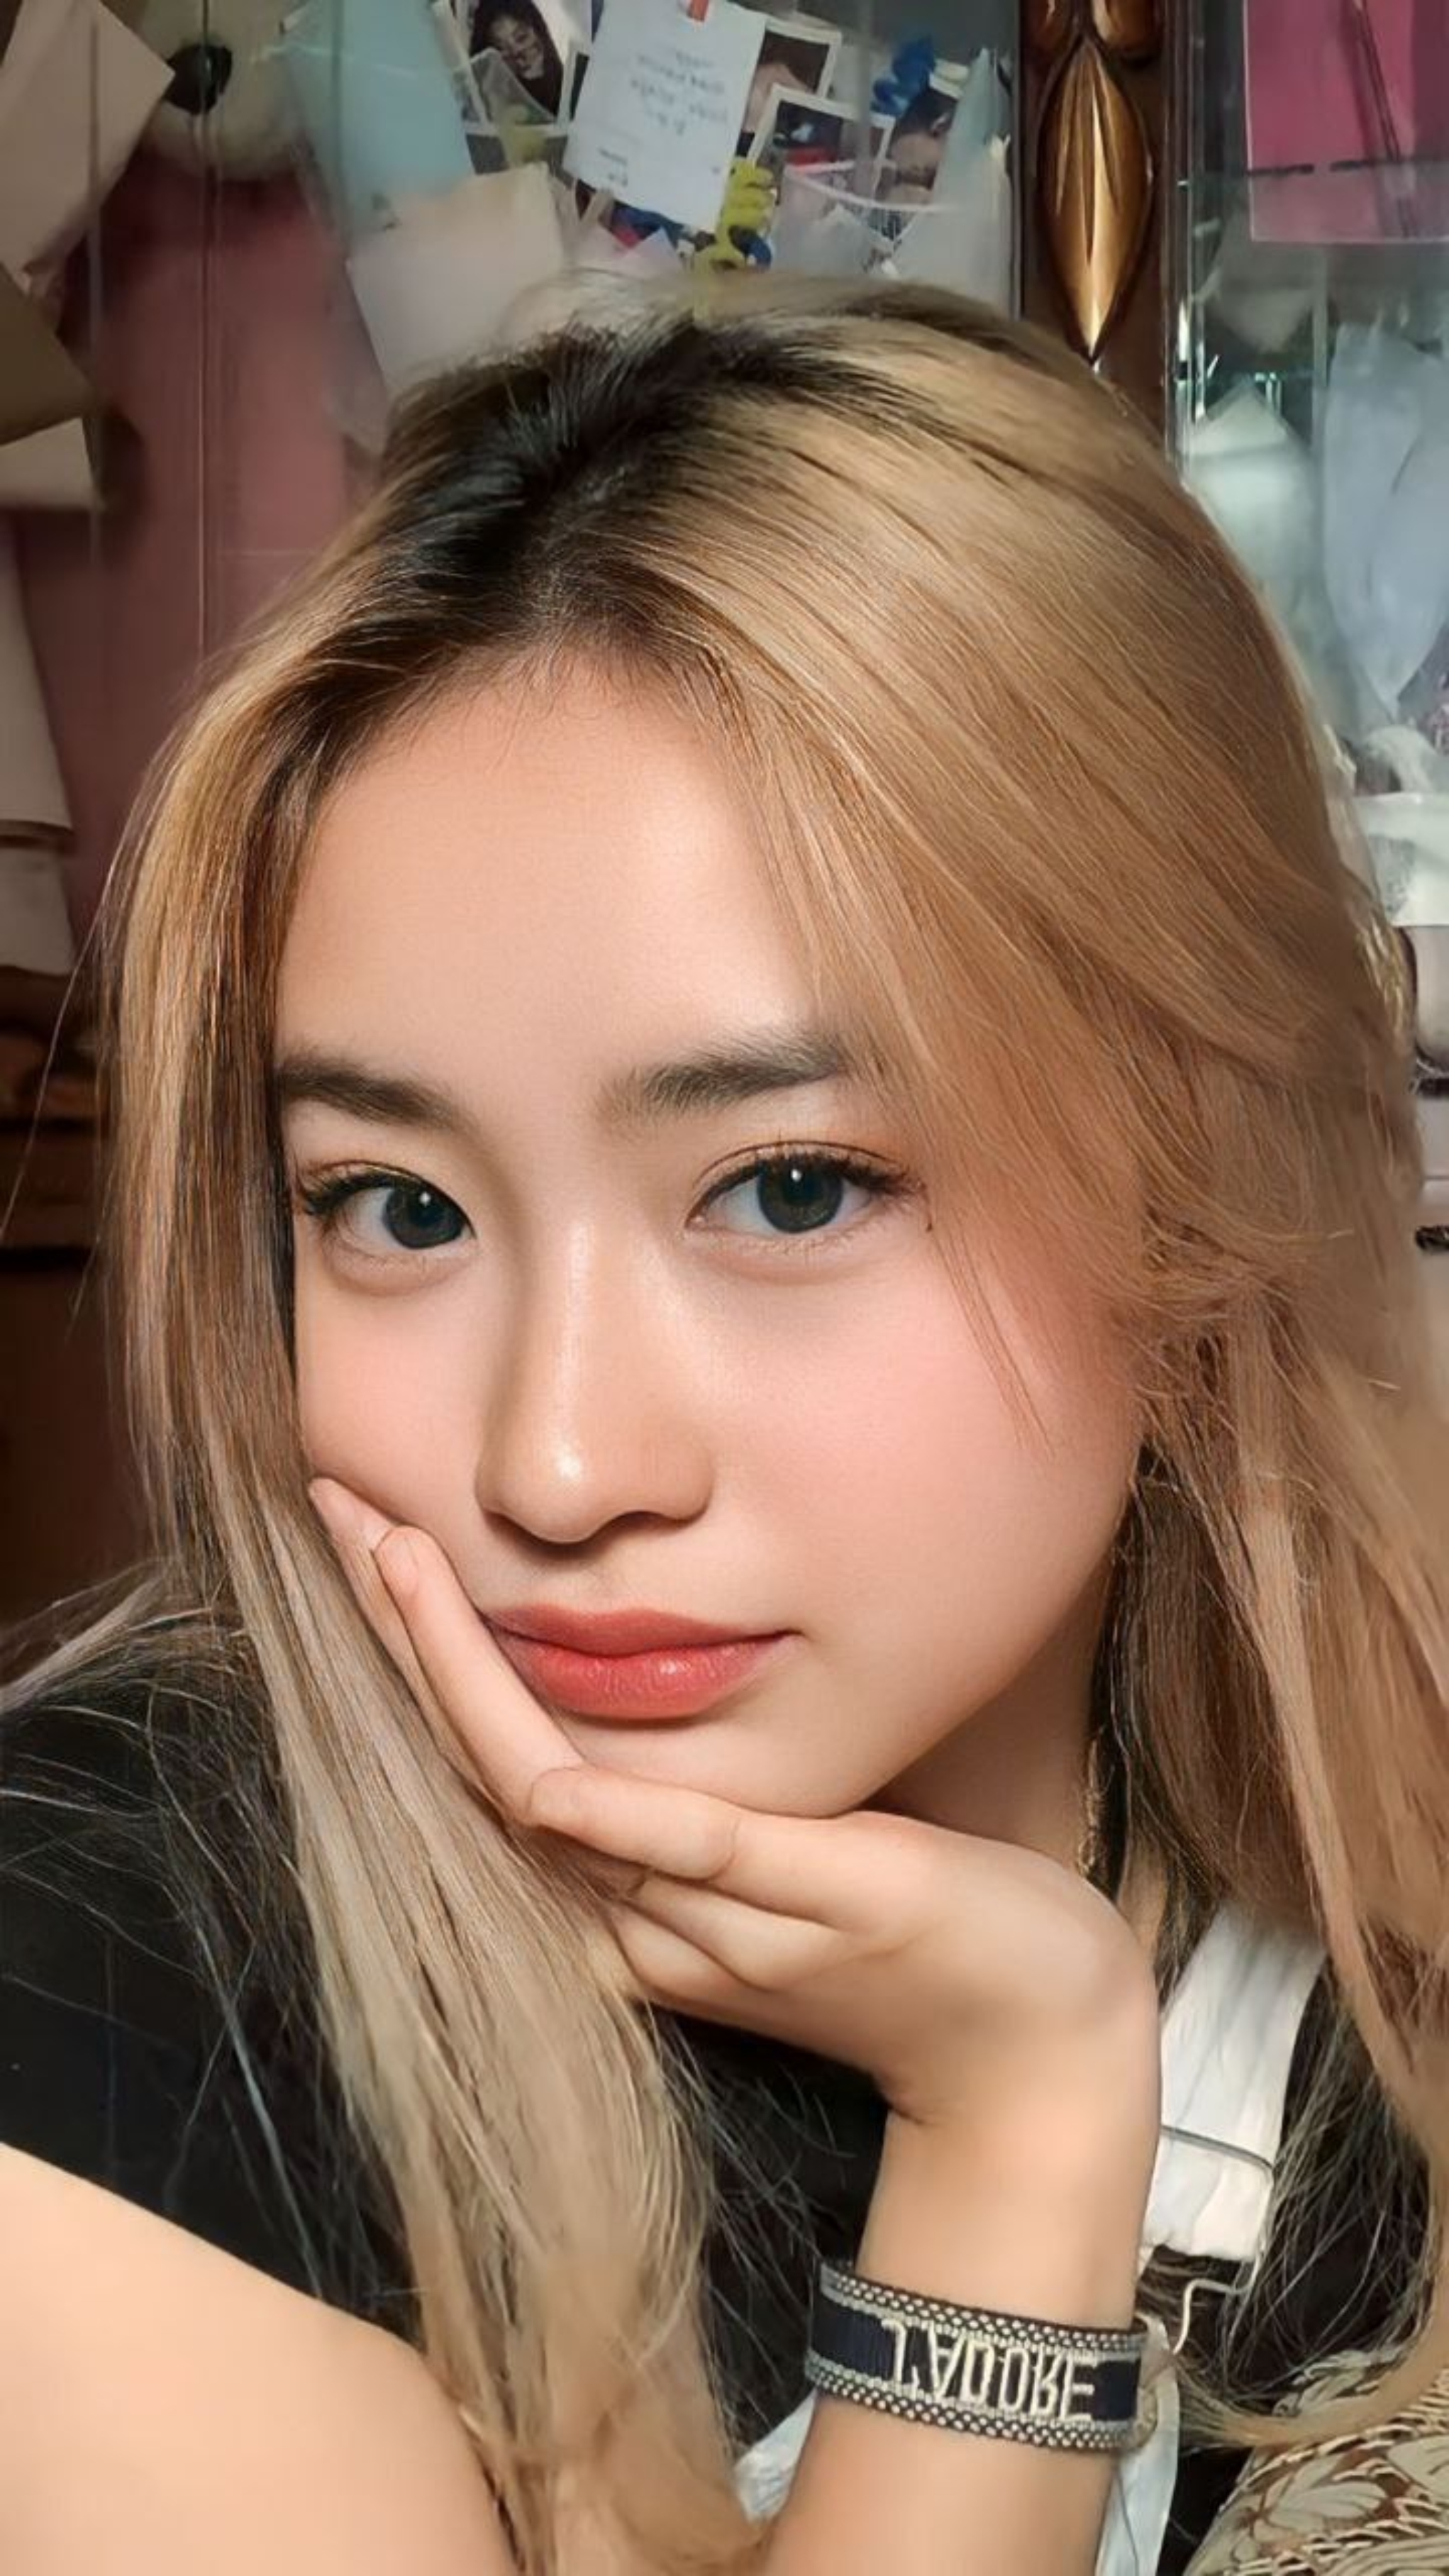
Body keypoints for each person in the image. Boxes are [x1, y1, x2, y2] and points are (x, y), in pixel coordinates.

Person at [2, 277, 1447, 2575]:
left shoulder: (1364, 1881)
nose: (558, 1470)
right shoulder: (106, 1999)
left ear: (1210, 1174)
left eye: (790, 1188)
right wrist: (1009, 2134)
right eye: (395, 1207)